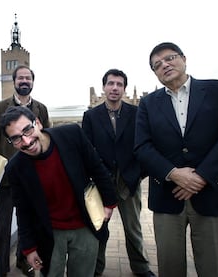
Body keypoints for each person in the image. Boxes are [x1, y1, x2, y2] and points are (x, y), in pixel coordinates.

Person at [134, 42, 218, 277]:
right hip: (167, 197)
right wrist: (174, 173)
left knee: (213, 267)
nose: (164, 65)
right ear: (155, 73)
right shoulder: (148, 104)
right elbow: (142, 147)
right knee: (170, 268)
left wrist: (202, 176)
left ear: (183, 58)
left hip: (213, 193)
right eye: (157, 65)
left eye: (169, 58)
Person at [0, 106, 118, 277]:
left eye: (27, 130)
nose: (26, 141)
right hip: (48, 233)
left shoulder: (71, 135)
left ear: (38, 123)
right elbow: (23, 211)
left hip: (85, 225)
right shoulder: (15, 168)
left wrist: (109, 204)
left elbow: (97, 169)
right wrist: (29, 249)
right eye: (16, 139)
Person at [82, 69, 156, 277]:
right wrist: (96, 176)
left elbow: (145, 145)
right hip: (101, 181)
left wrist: (138, 174)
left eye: (119, 84)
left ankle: (141, 267)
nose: (115, 88)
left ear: (124, 88)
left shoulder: (136, 113)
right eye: (111, 83)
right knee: (99, 227)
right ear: (104, 87)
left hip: (129, 180)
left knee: (133, 228)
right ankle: (96, 270)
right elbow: (87, 150)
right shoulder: (91, 116)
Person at [0, 65, 50, 277]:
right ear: (14, 81)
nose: (24, 81)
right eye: (21, 78)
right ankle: (1, 268)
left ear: (33, 82)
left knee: (30, 223)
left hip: (32, 178)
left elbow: (47, 140)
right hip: (6, 179)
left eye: (28, 78)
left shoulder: (41, 108)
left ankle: (24, 262)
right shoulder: (0, 107)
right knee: (2, 226)